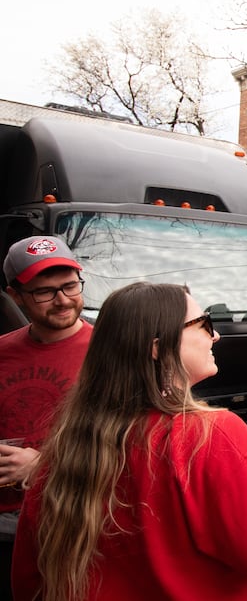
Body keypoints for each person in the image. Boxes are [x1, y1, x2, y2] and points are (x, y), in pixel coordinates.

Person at [11, 282, 247, 600]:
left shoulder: (68, 440)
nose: (216, 336)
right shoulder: (203, 434)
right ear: (157, 346)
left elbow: (28, 577)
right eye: (204, 325)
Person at [0, 236, 92, 599]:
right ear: (15, 295)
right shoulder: (3, 352)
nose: (63, 300)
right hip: (6, 527)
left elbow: (129, 446)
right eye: (45, 292)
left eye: (69, 286)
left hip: (72, 521)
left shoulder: (109, 353)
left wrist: (43, 467)